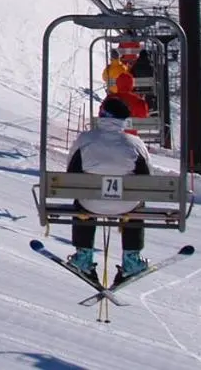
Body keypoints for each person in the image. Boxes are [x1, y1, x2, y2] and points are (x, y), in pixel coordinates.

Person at [66, 96, 151, 283]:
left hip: (90, 204)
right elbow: (146, 180)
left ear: (102, 116)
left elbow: (71, 173)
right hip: (127, 206)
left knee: (81, 197)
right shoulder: (135, 143)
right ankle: (131, 259)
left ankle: (83, 256)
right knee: (137, 202)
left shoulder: (85, 140)